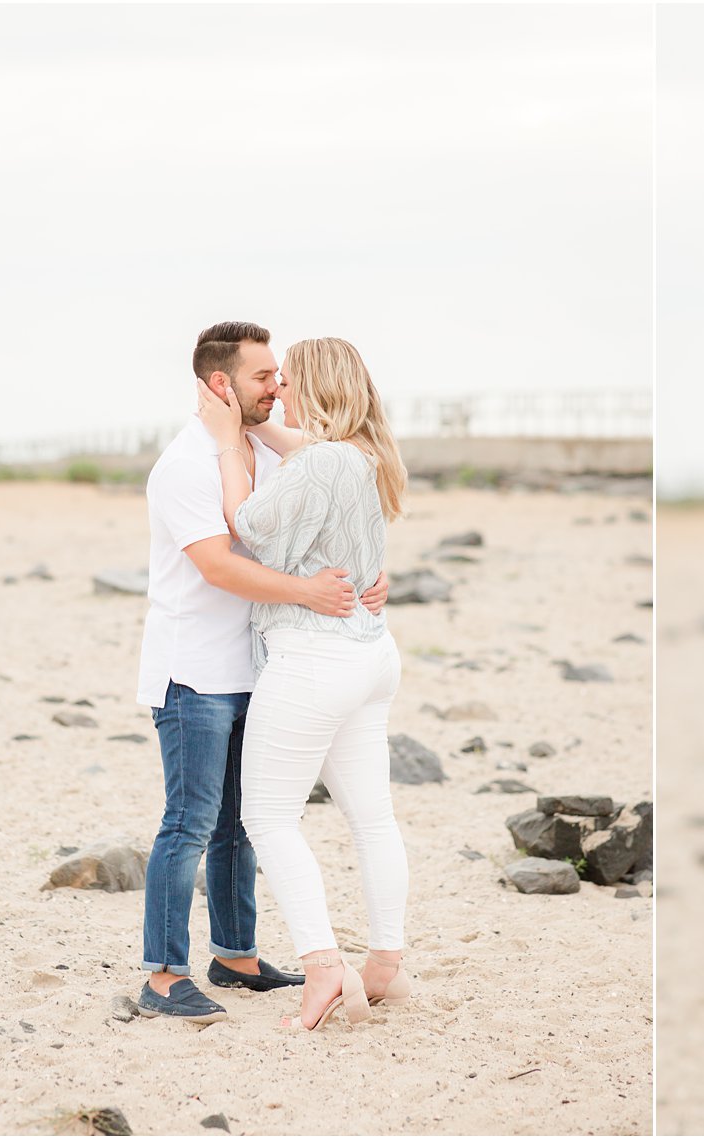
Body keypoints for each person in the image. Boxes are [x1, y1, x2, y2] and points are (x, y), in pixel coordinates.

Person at [138, 321, 390, 1024]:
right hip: (193, 669)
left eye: (280, 375)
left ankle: (237, 955)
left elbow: (332, 513)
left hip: (258, 664)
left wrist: (375, 573)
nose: (277, 387)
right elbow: (220, 562)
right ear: (221, 384)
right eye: (262, 377)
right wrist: (311, 594)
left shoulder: (264, 449)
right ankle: (161, 975)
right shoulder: (187, 464)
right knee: (187, 823)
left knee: (237, 827)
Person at [197, 336, 411, 1032]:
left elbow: (246, 522)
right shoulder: (365, 454)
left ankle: (323, 967)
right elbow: (305, 452)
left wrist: (230, 442)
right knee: (372, 817)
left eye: (288, 381)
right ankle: (385, 964)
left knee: (267, 817)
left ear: (313, 387)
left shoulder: (318, 462)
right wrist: (249, 419)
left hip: (315, 660)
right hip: (371, 656)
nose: (279, 390)